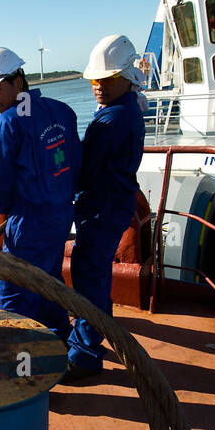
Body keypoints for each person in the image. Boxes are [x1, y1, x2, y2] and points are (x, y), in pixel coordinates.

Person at [0, 46, 81, 342]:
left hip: (29, 223)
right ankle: (58, 341)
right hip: (62, 215)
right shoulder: (61, 110)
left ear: (18, 82)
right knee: (48, 283)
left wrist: (6, 213)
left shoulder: (7, 124)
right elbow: (75, 162)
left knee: (15, 292)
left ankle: (19, 363)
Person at [66, 35, 147, 381]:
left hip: (101, 208)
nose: (99, 85)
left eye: (108, 78)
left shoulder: (110, 120)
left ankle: (84, 355)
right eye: (95, 79)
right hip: (113, 204)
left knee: (88, 276)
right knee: (94, 273)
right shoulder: (128, 109)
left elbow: (83, 170)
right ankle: (94, 332)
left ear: (128, 77)